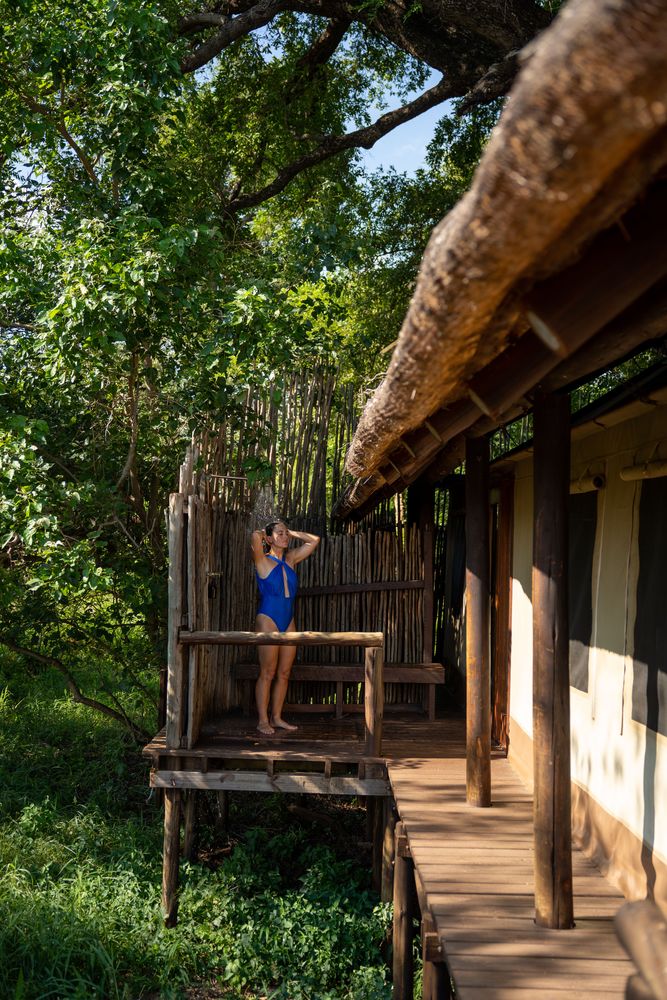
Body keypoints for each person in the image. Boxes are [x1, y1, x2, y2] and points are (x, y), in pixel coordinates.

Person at [250, 520, 320, 735]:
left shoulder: (290, 559)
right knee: (268, 672)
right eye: (280, 533)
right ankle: (263, 721)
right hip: (268, 618)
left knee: (284, 672)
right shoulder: (262, 560)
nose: (285, 536)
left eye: (285, 533)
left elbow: (314, 540)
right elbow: (254, 537)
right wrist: (265, 533)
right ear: (269, 538)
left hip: (288, 619)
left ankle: (277, 717)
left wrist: (291, 532)